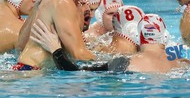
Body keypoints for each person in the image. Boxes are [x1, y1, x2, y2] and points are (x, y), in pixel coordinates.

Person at [30, 14, 180, 74]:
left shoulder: (125, 62)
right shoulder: (179, 59)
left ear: (137, 37)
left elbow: (74, 71)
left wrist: (55, 49)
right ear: (165, 36)